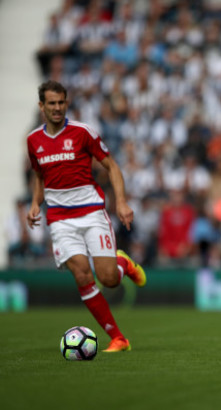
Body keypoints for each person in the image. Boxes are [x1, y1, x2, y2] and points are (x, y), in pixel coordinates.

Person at [26, 80, 146, 353]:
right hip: (59, 219)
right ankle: (118, 338)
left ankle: (122, 265)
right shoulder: (33, 141)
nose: (57, 108)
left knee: (109, 280)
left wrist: (122, 203)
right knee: (81, 274)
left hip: (91, 212)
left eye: (61, 102)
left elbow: (112, 166)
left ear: (66, 103)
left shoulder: (82, 132)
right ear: (41, 106)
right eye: (51, 103)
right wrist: (35, 202)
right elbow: (39, 175)